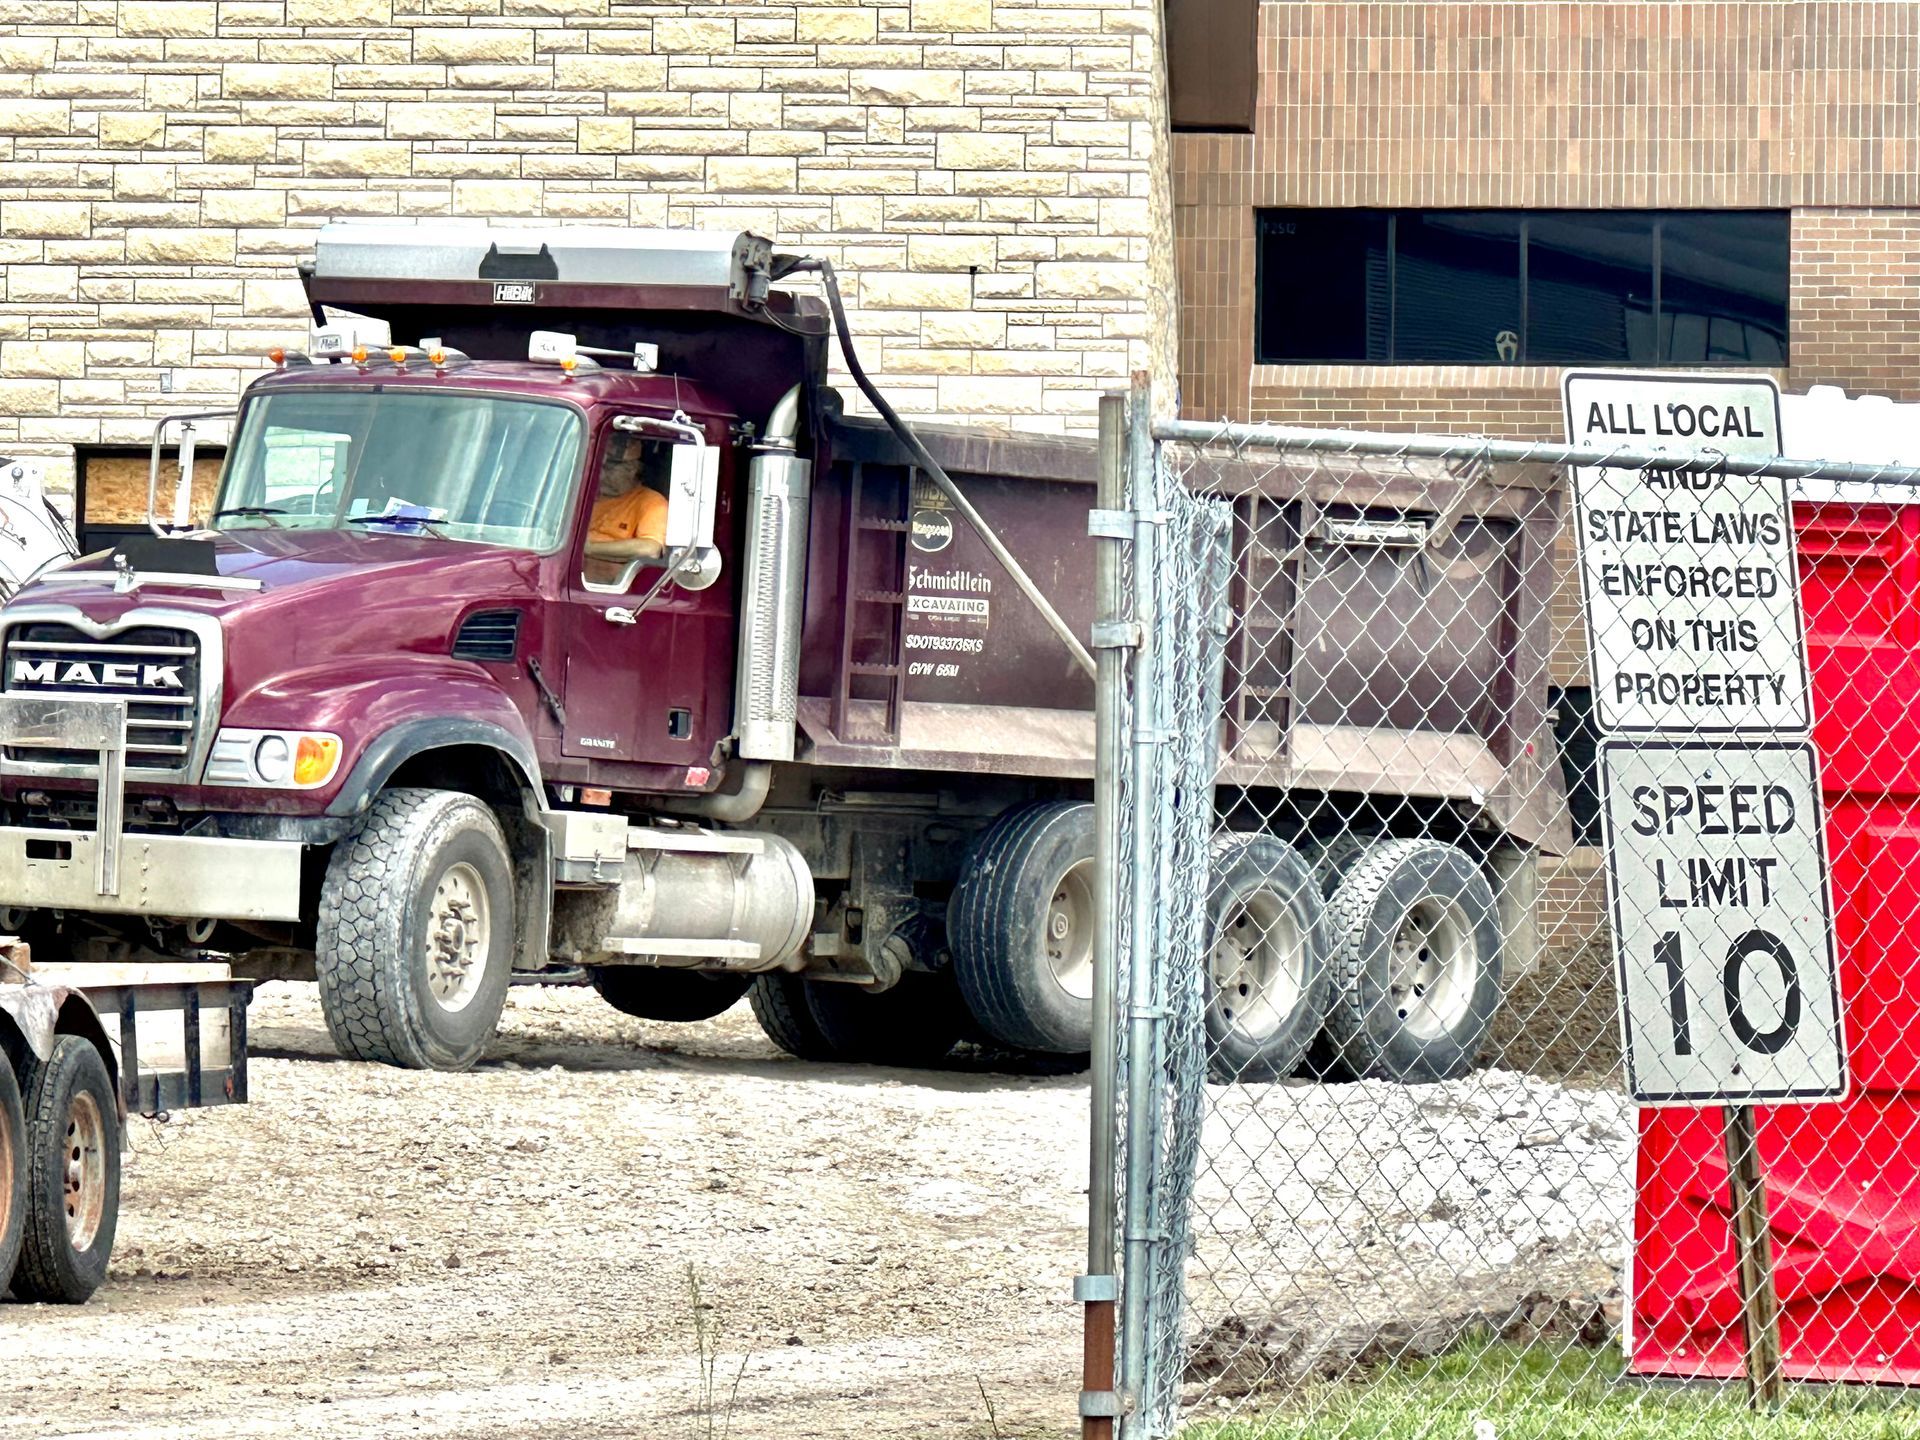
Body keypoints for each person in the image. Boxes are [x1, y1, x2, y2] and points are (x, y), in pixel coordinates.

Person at [586, 432, 668, 566]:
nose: (601, 473)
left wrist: (589, 548)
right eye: (599, 465)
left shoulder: (652, 502)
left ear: (634, 469)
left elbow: (650, 548)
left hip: (607, 581)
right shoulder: (581, 492)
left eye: (610, 467)